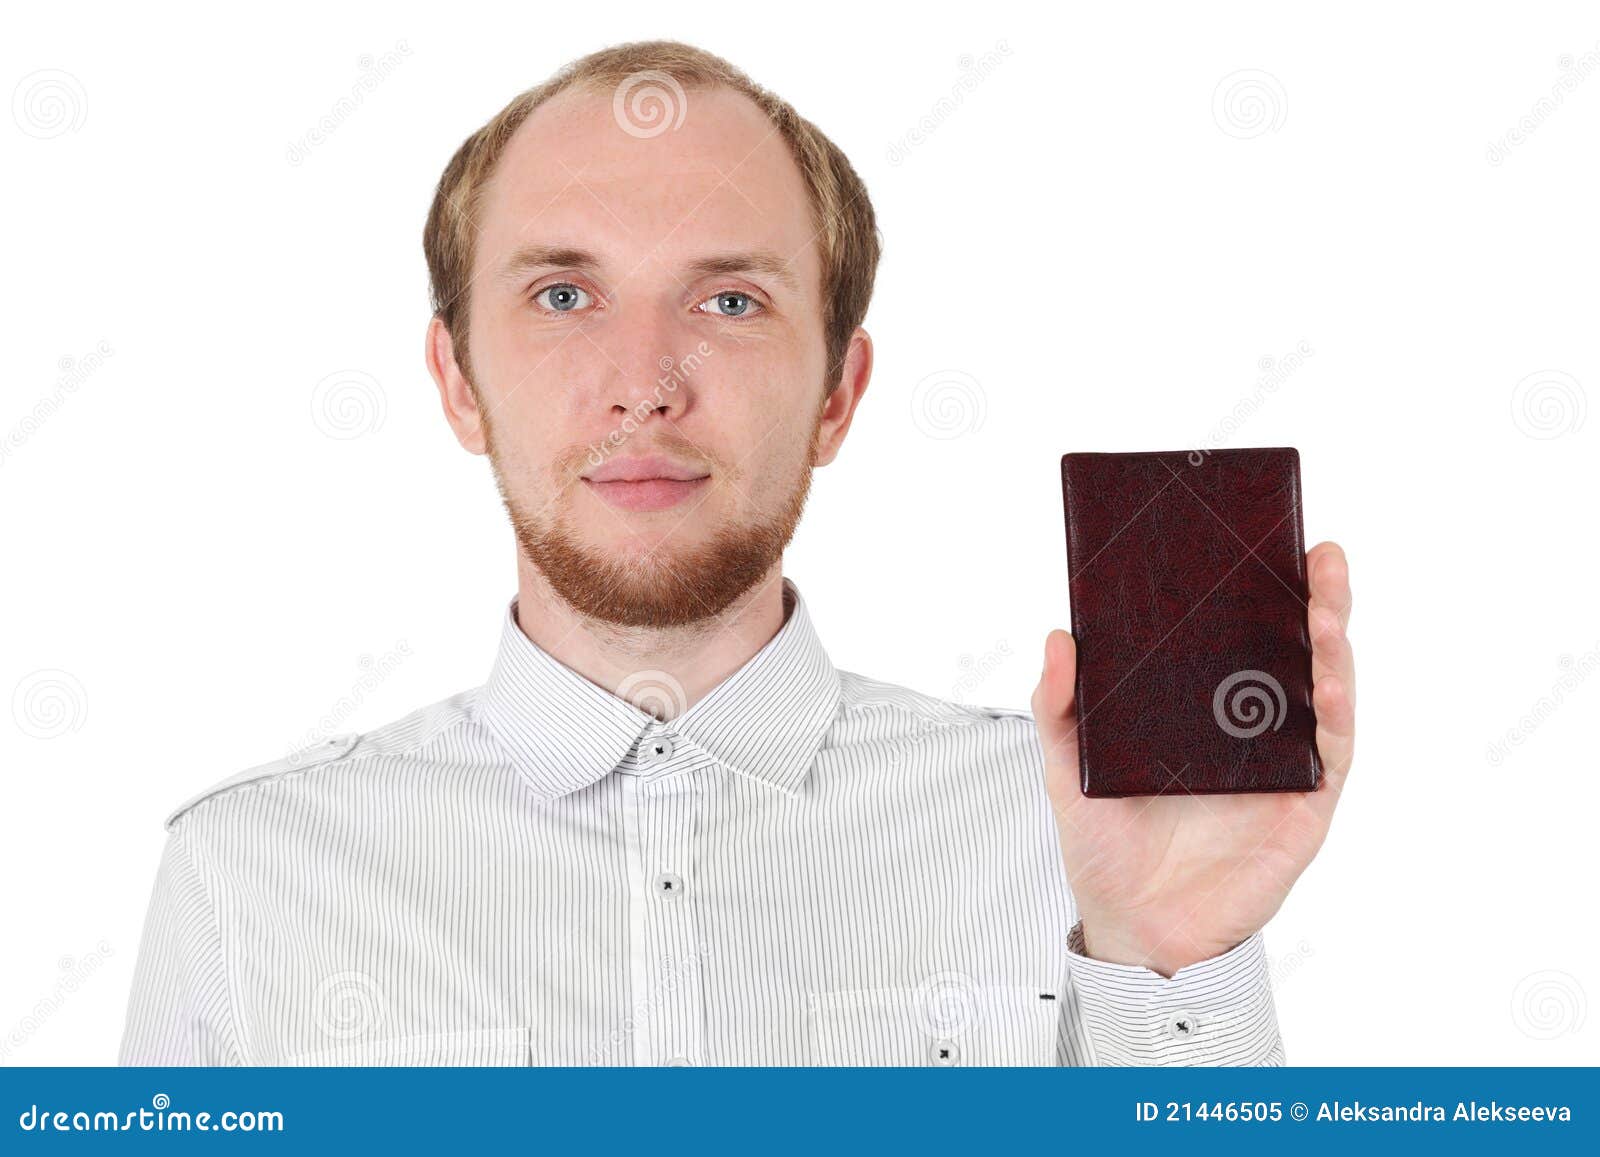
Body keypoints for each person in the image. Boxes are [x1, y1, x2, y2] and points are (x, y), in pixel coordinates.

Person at [120, 39, 1356, 1067]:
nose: (643, 386)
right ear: (458, 382)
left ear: (836, 390)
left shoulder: (1069, 833)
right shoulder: (249, 875)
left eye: (728, 302)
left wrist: (1175, 958)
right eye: (562, 294)